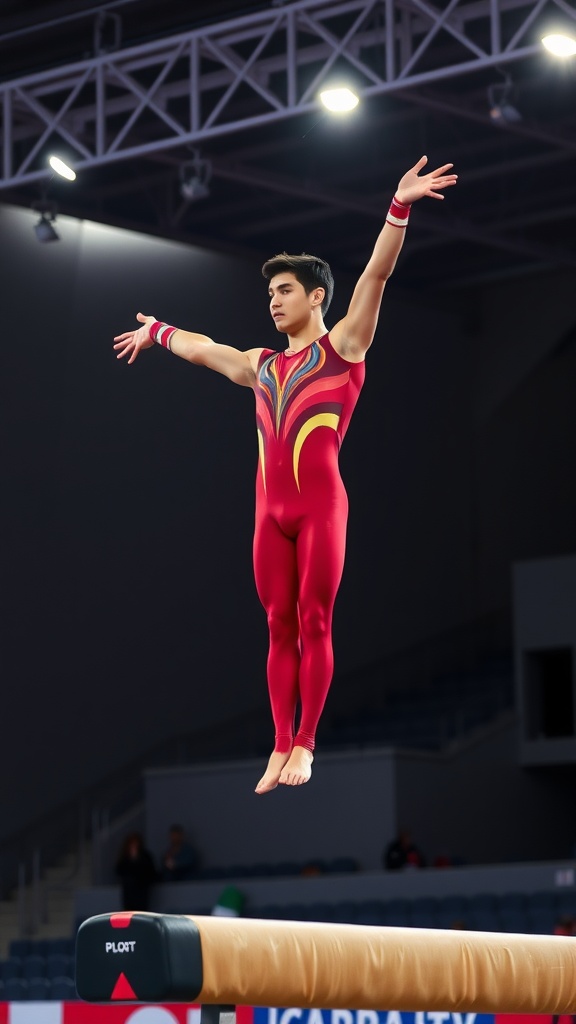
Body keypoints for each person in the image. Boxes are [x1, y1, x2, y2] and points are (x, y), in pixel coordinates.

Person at [113, 156, 458, 795]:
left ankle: (306, 743)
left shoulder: (346, 346)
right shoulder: (260, 365)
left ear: (316, 295)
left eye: (284, 291)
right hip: (267, 515)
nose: (272, 301)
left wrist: (399, 206)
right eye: (269, 293)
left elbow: (378, 274)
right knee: (277, 625)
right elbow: (203, 348)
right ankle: (277, 743)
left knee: (315, 620)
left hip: (321, 507)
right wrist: (157, 333)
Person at [115, 832, 158, 911]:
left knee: (141, 913)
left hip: (141, 892)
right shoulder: (125, 857)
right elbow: (119, 870)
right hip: (128, 893)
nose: (134, 845)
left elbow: (150, 872)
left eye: (136, 843)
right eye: (132, 843)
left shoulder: (145, 856)